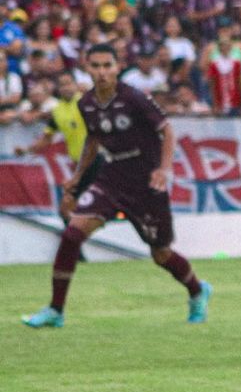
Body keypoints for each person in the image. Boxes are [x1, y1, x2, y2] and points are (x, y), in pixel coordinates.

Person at [21, 44, 211, 329]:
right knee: (72, 234)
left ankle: (197, 291)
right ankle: (55, 310)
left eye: (107, 65)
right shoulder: (86, 103)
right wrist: (76, 177)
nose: (101, 72)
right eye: (95, 66)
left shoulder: (134, 98)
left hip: (146, 182)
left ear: (117, 67)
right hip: (111, 177)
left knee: (161, 254)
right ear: (87, 68)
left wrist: (164, 168)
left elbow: (167, 130)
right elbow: (93, 140)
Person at [13, 69, 100, 225]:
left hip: (97, 160)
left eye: (68, 83)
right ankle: (77, 241)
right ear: (57, 88)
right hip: (79, 165)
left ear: (75, 84)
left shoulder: (87, 102)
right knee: (68, 207)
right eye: (62, 85)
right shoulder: (57, 111)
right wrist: (26, 150)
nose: (65, 88)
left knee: (74, 205)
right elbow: (47, 138)